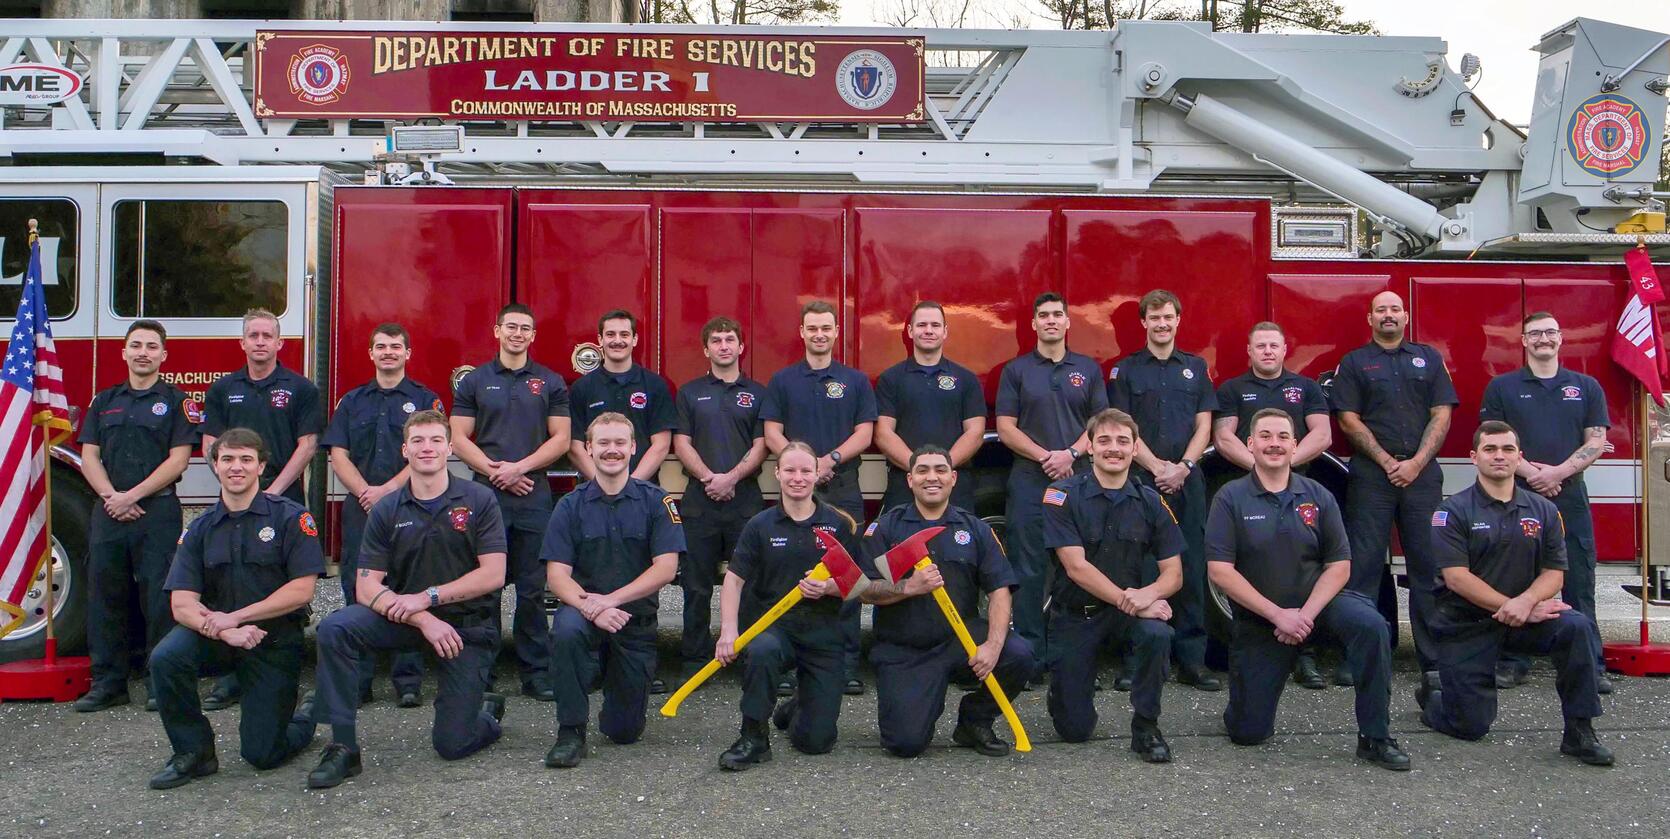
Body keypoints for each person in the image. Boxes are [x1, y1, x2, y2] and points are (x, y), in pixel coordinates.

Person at [306, 410, 510, 788]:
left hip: (466, 626)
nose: (427, 448)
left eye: (435, 440)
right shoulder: (387, 509)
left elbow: (493, 574)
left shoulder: (480, 499)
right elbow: (367, 587)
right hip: (408, 619)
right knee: (335, 628)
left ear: (450, 447)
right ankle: (342, 748)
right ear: (405, 450)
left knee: (453, 744)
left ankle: (485, 712)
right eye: (417, 441)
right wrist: (421, 616)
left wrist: (428, 599)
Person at [1206, 410, 1409, 771]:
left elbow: (1340, 566)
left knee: (1372, 626)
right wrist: (1278, 615)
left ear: (1295, 445)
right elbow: (1220, 571)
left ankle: (1375, 737)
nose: (1274, 444)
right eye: (1265, 436)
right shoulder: (1230, 497)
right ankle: (1243, 706)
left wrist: (1305, 616)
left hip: (1319, 606)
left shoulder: (1317, 495)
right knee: (1248, 732)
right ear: (1250, 444)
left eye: (1283, 437)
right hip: (1262, 617)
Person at [1419, 421, 1613, 766]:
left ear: (1519, 457)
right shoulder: (1451, 512)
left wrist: (1526, 603)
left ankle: (1580, 731)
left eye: (1507, 450)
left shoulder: (1544, 510)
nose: (1499, 456)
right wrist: (1513, 605)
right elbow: (1456, 578)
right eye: (1490, 449)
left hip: (1525, 618)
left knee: (1576, 626)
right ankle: (1436, 695)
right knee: (1470, 726)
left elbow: (1555, 573)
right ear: (1473, 458)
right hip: (1468, 624)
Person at [146, 429, 321, 789]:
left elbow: (302, 591)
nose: (235, 467)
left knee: (262, 755)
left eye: (245, 459)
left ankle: (305, 717)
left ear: (261, 466)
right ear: (215, 465)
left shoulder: (291, 518)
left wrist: (238, 617)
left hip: (271, 640)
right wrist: (226, 630)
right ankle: (193, 752)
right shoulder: (200, 528)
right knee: (166, 658)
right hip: (221, 636)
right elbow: (181, 603)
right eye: (227, 459)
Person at [861, 445, 1037, 758]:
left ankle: (975, 720)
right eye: (923, 470)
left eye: (940, 470)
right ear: (910, 480)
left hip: (959, 639)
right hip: (904, 649)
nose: (932, 477)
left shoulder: (975, 529)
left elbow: (1000, 590)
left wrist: (993, 647)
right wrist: (908, 587)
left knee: (1019, 653)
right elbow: (863, 590)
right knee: (905, 743)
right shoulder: (887, 529)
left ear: (953, 478)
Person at [541, 413, 684, 768]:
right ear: (588, 448)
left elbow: (666, 568)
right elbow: (557, 576)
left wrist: (612, 601)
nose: (612, 450)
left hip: (631, 619)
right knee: (567, 630)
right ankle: (570, 732)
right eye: (603, 443)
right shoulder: (570, 506)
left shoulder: (656, 501)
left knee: (624, 732)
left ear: (634, 448)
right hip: (584, 612)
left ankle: (614, 688)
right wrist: (594, 608)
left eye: (620, 443)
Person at [1479, 312, 1612, 694]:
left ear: (1561, 338)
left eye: (1550, 332)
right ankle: (1512, 659)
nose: (1543, 339)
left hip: (1568, 495)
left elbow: (1596, 440)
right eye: (1535, 333)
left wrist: (1557, 473)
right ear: (1522, 341)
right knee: (1515, 576)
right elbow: (1493, 440)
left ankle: (1590, 663)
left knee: (1578, 579)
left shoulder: (1585, 387)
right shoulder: (1502, 388)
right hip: (1517, 495)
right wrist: (1532, 473)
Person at [199, 308, 323, 711]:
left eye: (267, 335)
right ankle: (233, 673)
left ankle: (276, 666)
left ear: (279, 343)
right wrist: (236, 484)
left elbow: (307, 446)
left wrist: (271, 493)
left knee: (278, 583)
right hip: (234, 503)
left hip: (282, 503)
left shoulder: (301, 389)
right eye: (252, 335)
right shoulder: (222, 390)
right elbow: (209, 444)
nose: (260, 342)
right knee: (231, 581)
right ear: (242, 342)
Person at [1043, 409, 1184, 762]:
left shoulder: (1150, 501)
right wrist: (1134, 601)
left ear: (1136, 449)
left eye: (1123, 441)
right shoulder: (1061, 495)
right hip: (1077, 614)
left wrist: (1149, 595)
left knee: (1158, 635)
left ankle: (1146, 727)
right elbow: (1076, 568)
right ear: (1089, 447)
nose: (1114, 449)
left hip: (1127, 613)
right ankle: (1064, 690)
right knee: (1074, 730)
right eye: (1104, 440)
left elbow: (1174, 574)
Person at [1331, 290, 1457, 684]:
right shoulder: (1354, 363)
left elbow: (1442, 413)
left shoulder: (1429, 359)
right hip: (1372, 477)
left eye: (1395, 309)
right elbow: (1348, 419)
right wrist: (1388, 462)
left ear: (1406, 316)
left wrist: (1416, 463)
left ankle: (1434, 660)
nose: (1389, 315)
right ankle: (1359, 659)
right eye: (1381, 309)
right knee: (1363, 569)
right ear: (1370, 318)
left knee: (1428, 568)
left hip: (1421, 477)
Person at [712, 442, 861, 771]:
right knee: (761, 650)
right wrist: (728, 632)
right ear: (777, 473)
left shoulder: (837, 525)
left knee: (816, 743)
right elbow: (733, 581)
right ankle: (753, 736)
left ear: (817, 474)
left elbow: (857, 584)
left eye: (806, 470)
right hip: (774, 628)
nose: (798, 477)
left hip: (823, 634)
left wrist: (828, 587)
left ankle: (795, 707)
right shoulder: (760, 526)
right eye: (790, 470)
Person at [73, 320, 197, 714]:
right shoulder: (103, 400)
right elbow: (88, 454)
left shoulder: (177, 402)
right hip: (108, 510)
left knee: (158, 596)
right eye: (136, 345)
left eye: (151, 346)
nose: (143, 352)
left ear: (164, 355)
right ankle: (108, 682)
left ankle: (159, 682)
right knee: (104, 596)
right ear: (123, 352)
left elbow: (179, 460)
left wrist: (133, 495)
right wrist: (112, 496)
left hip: (156, 509)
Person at [451, 303, 572, 701]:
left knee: (533, 589)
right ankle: (481, 671)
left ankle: (536, 672)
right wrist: (497, 472)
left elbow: (561, 439)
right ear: (497, 330)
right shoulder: (475, 381)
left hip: (533, 495)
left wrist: (518, 469)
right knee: (483, 589)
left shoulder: (550, 381)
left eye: (525, 328)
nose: (518, 333)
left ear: (533, 336)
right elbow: (459, 437)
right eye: (511, 327)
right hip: (485, 497)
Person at [1107, 289, 1220, 692]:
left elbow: (1204, 425)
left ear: (1178, 320)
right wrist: (1157, 468)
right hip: (1139, 482)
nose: (1162, 324)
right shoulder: (1125, 371)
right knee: (1136, 568)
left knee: (1190, 565)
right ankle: (1135, 659)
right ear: (1144, 323)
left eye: (1168, 317)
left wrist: (1185, 467)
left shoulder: (1195, 367)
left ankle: (1192, 661)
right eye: (1154, 318)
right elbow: (1121, 430)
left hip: (1187, 481)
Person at [321, 323, 438, 708]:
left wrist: (386, 491)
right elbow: (338, 452)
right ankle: (362, 679)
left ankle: (408, 679)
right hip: (362, 506)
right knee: (360, 585)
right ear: (371, 354)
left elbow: (427, 454)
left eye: (396, 347)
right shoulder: (351, 401)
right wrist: (364, 492)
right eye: (381, 347)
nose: (388, 353)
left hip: (410, 501)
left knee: (408, 581)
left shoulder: (424, 400)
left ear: (409, 354)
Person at [762, 300, 876, 695]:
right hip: (798, 491)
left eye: (826, 328)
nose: (820, 334)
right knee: (798, 573)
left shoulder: (856, 380)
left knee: (844, 574)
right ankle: (794, 664)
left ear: (836, 332)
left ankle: (845, 664)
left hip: (842, 487)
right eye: (812, 328)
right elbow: (772, 432)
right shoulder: (782, 381)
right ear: (802, 332)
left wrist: (829, 460)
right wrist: (804, 465)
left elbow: (866, 433)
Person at [1212, 321, 1333, 689]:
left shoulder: (1306, 388)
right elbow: (1223, 436)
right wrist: (1262, 468)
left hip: (1299, 494)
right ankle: (1252, 648)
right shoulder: (1233, 389)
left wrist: (1284, 466)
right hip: (1250, 493)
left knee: (1303, 568)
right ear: (1249, 352)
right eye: (1260, 346)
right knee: (1257, 568)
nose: (1267, 351)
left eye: (1273, 346)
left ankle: (1306, 654)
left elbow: (1323, 434)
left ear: (1284, 351)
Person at [995, 292, 1107, 678]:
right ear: (1033, 324)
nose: (1051, 321)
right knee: (1028, 570)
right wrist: (1046, 456)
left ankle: (1072, 660)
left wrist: (1070, 455)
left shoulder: (1088, 370)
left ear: (1067, 321)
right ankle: (1031, 660)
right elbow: (1005, 428)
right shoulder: (1017, 370)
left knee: (1077, 568)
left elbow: (1099, 426)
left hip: (1077, 482)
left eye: (1058, 314)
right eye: (1043, 316)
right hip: (1029, 480)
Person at [567, 309, 679, 693]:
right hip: (595, 495)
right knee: (593, 570)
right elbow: (574, 443)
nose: (616, 340)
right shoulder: (583, 390)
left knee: (643, 575)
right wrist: (603, 480)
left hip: (642, 495)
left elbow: (661, 442)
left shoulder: (655, 385)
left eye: (623, 334)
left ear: (635, 340)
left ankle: (638, 663)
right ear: (599, 341)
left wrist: (630, 483)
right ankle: (596, 662)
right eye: (609, 334)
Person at [673, 317, 768, 684]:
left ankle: (749, 656)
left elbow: (761, 445)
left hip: (745, 500)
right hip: (700, 500)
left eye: (731, 339)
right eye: (717, 340)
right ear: (706, 349)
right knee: (694, 585)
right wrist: (709, 478)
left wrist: (731, 478)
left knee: (751, 582)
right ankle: (694, 659)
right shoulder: (690, 392)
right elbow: (682, 443)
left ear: (742, 347)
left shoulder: (758, 393)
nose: (724, 346)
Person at [874, 300, 986, 513]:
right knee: (902, 545)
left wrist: (941, 471)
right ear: (910, 331)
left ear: (944, 332)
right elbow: (882, 433)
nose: (928, 331)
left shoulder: (966, 379)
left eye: (935, 325)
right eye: (922, 325)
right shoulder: (891, 379)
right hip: (904, 483)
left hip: (954, 486)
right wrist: (919, 470)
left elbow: (975, 432)